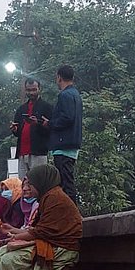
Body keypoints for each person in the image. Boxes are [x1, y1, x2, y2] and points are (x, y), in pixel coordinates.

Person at [0, 164, 81, 270]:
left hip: (62, 248)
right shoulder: (46, 197)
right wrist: (13, 232)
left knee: (10, 259)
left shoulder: (55, 198)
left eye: (31, 184)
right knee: (2, 253)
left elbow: (39, 232)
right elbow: (37, 229)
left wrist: (9, 238)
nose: (26, 188)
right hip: (49, 241)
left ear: (41, 182)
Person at [48, 65, 83, 205]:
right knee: (67, 179)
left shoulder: (65, 95)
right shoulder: (76, 94)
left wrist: (50, 124)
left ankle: (71, 215)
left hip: (63, 144)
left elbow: (67, 117)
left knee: (65, 182)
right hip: (71, 142)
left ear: (59, 77)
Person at [9, 78, 53, 178]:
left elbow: (51, 129)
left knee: (38, 182)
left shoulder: (46, 107)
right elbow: (18, 131)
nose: (31, 93)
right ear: (25, 90)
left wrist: (37, 123)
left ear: (39, 89)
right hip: (22, 152)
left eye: (34, 90)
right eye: (29, 90)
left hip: (39, 152)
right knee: (23, 183)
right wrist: (15, 130)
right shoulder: (21, 109)